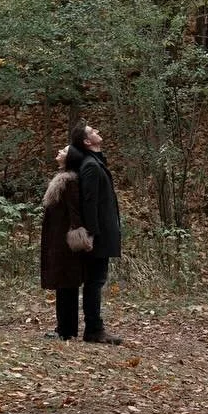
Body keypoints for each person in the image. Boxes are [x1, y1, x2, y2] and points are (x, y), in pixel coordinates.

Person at [65, 119, 123, 345]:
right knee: (95, 281)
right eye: (92, 131)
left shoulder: (96, 162)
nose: (97, 131)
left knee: (96, 280)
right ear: (87, 142)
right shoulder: (90, 165)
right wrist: (90, 233)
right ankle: (94, 329)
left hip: (102, 231)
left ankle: (94, 328)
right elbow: (89, 203)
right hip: (98, 234)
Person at [40, 146, 90, 339]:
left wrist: (78, 237)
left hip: (65, 242)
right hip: (58, 238)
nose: (60, 151)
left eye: (64, 150)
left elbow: (75, 211)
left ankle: (66, 330)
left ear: (70, 158)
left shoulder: (69, 182)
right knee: (64, 284)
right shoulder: (64, 179)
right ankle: (65, 328)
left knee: (67, 284)